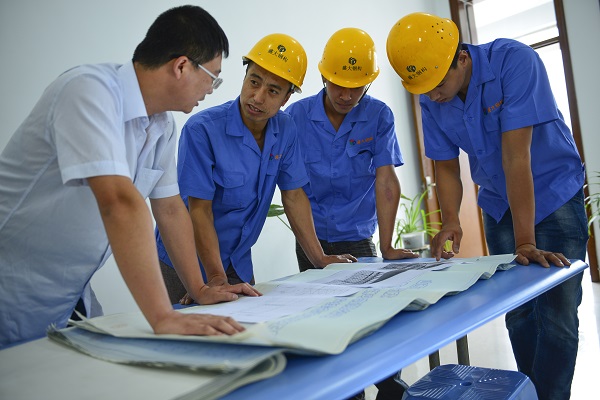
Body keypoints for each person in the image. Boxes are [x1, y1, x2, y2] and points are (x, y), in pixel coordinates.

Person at [0, 5, 261, 350]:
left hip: (68, 292)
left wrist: (199, 289)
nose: (212, 89)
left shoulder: (162, 126)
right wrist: (162, 317)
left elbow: (169, 209)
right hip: (12, 285)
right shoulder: (89, 92)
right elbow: (119, 203)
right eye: (213, 77)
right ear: (182, 66)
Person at [386, 12, 588, 400]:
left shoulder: (514, 62)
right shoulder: (433, 93)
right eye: (422, 89)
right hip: (498, 202)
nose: (431, 96)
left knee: (558, 316)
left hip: (553, 191)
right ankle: (527, 392)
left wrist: (525, 242)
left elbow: (517, 158)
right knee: (518, 311)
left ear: (461, 58)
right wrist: (450, 222)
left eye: (437, 84)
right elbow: (445, 167)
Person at [155, 33, 356, 305]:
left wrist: (319, 259)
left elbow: (294, 195)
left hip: (237, 262)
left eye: (273, 90)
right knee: (190, 341)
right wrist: (215, 279)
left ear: (286, 98)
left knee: (244, 334)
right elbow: (199, 210)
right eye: (254, 82)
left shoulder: (285, 130)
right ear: (244, 77)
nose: (258, 97)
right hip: (185, 263)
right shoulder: (202, 130)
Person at [285, 27, 417, 400]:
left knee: (372, 317)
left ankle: (389, 385)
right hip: (311, 239)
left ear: (369, 84)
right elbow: (292, 191)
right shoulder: (294, 118)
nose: (346, 95)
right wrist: (316, 256)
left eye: (356, 87)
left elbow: (386, 180)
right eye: (339, 84)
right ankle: (347, 392)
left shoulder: (378, 116)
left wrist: (388, 246)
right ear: (325, 76)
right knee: (325, 322)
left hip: (358, 235)